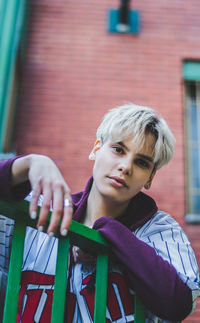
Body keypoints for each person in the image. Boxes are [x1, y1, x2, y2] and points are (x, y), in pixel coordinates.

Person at [0, 103, 199, 322]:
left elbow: (178, 303)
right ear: (96, 148)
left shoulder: (160, 229)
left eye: (141, 162)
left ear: (150, 177)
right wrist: (27, 164)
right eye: (118, 149)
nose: (125, 166)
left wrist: (109, 233)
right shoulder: (39, 209)